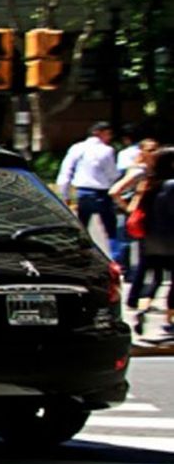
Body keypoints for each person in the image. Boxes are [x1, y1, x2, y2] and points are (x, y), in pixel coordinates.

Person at [130, 147, 174, 338]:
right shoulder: (172, 185)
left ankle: (142, 310)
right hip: (171, 242)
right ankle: (169, 321)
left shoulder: (150, 184)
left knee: (155, 279)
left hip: (150, 241)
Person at [112, 138, 160, 307]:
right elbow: (114, 191)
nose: (155, 152)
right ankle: (136, 297)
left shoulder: (151, 170)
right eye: (151, 149)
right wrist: (129, 209)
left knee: (146, 257)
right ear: (142, 152)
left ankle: (138, 296)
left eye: (156, 149)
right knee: (142, 255)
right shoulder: (139, 171)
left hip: (146, 217)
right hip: (137, 217)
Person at [56, 121, 120, 249]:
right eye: (108, 134)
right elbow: (112, 173)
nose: (109, 137)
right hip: (102, 192)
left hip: (83, 192)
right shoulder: (107, 150)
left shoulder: (76, 148)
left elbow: (66, 171)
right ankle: (118, 261)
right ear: (98, 133)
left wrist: (65, 193)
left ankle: (81, 253)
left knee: (82, 228)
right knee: (111, 230)